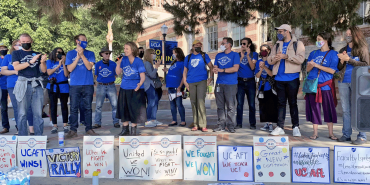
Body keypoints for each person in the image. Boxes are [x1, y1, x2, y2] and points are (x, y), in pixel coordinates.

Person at [268, 24, 305, 136]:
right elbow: (269, 60)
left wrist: (286, 57)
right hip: (279, 78)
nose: (279, 34)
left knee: (293, 103)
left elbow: (301, 59)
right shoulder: (277, 45)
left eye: (280, 31)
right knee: (280, 103)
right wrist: (275, 58)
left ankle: (296, 127)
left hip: (292, 78)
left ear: (287, 31)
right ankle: (280, 127)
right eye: (278, 32)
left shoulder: (298, 44)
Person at [337, 26, 369, 145]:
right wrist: (341, 61)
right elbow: (339, 68)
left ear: (356, 35)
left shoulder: (362, 48)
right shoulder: (343, 49)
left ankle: (362, 136)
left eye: (350, 33)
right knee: (346, 109)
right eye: (346, 34)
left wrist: (349, 59)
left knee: (359, 108)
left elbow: (366, 64)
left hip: (358, 82)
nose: (347, 35)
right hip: (343, 81)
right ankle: (346, 134)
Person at [12, 33, 47, 136]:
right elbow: (16, 68)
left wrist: (42, 62)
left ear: (31, 41)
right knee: (22, 113)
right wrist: (31, 62)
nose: (25, 44)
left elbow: (44, 71)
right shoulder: (16, 53)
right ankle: (22, 137)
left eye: (27, 42)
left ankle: (39, 137)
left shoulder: (37, 53)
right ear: (20, 42)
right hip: (23, 83)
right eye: (23, 42)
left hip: (36, 84)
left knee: (38, 113)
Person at [305, 32, 338, 140]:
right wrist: (310, 65)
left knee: (328, 109)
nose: (317, 41)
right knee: (314, 109)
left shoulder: (333, 54)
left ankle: (331, 133)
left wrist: (317, 65)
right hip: (313, 85)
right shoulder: (313, 53)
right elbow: (307, 70)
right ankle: (315, 133)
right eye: (317, 39)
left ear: (326, 40)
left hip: (325, 86)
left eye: (319, 39)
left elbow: (332, 71)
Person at [65, 34, 99, 138]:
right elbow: (69, 69)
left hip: (88, 84)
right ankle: (73, 130)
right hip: (75, 85)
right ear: (77, 41)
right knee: (74, 107)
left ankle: (88, 128)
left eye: (86, 39)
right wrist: (78, 56)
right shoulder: (70, 54)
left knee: (88, 107)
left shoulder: (90, 53)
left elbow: (89, 67)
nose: (85, 41)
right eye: (83, 40)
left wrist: (82, 55)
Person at [1, 40, 34, 135]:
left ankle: (32, 130)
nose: (19, 46)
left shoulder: (27, 55)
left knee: (29, 107)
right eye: (17, 45)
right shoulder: (8, 57)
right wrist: (15, 72)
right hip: (12, 85)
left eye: (21, 44)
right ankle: (20, 129)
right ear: (13, 47)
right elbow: (3, 71)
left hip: (26, 83)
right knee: (17, 108)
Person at [116, 42, 146, 136]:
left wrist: (140, 84)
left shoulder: (138, 61)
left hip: (136, 89)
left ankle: (133, 129)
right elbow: (118, 73)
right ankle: (125, 129)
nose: (124, 50)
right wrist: (118, 62)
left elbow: (143, 76)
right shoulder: (123, 60)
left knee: (134, 110)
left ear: (132, 49)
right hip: (124, 88)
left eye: (127, 49)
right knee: (124, 109)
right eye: (124, 48)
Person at [183, 40, 214, 132]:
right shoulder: (188, 57)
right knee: (193, 103)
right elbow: (185, 71)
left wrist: (211, 78)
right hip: (191, 82)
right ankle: (196, 124)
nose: (198, 47)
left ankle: (203, 124)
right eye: (196, 45)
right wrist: (185, 82)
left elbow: (211, 66)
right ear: (193, 47)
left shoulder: (204, 55)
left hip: (201, 81)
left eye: (200, 45)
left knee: (201, 102)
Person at [212, 37, 240, 133]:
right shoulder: (218, 55)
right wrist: (215, 69)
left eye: (223, 43)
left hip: (231, 84)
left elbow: (235, 68)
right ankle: (221, 125)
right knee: (220, 106)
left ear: (229, 45)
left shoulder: (235, 55)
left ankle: (231, 126)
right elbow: (216, 66)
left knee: (230, 106)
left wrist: (222, 70)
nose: (221, 45)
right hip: (220, 83)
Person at [93, 47, 120, 129]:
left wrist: (110, 81)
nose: (108, 55)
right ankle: (97, 123)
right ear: (102, 54)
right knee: (98, 106)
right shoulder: (98, 64)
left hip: (111, 85)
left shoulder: (113, 64)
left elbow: (116, 75)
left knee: (115, 105)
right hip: (101, 86)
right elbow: (96, 75)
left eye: (109, 53)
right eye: (106, 53)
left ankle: (116, 122)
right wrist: (98, 83)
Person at [46, 47, 70, 134]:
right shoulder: (49, 62)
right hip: (52, 86)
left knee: (64, 106)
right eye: (57, 52)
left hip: (63, 86)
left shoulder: (66, 62)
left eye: (60, 52)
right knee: (53, 106)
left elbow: (66, 74)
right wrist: (58, 65)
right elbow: (48, 72)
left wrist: (63, 63)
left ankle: (65, 124)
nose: (58, 54)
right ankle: (54, 125)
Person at [236, 37, 258, 129]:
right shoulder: (237, 55)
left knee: (252, 104)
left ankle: (252, 124)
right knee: (239, 104)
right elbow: (236, 67)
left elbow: (253, 67)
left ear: (249, 45)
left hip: (250, 82)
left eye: (244, 44)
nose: (242, 45)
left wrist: (248, 56)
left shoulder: (254, 54)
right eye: (241, 44)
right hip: (240, 81)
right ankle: (239, 123)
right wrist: (241, 56)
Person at [256, 44, 278, 132]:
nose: (263, 52)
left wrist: (264, 66)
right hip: (262, 86)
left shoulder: (271, 61)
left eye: (265, 50)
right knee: (263, 105)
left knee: (271, 105)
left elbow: (272, 74)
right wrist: (261, 68)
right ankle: (266, 123)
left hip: (270, 86)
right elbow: (257, 75)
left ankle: (271, 124)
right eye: (261, 50)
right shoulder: (258, 62)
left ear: (269, 50)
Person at [163, 47, 186, 127]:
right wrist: (167, 70)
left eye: (174, 53)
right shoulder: (174, 63)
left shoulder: (182, 63)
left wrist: (180, 86)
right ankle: (174, 120)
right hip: (171, 87)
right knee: (172, 104)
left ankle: (183, 120)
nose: (172, 54)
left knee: (179, 104)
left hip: (177, 87)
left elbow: (184, 75)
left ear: (178, 53)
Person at [143, 48, 163, 127]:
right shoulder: (147, 63)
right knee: (151, 103)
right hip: (148, 85)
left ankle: (153, 119)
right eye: (153, 53)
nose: (154, 55)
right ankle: (148, 120)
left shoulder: (148, 63)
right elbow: (151, 75)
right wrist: (156, 67)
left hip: (151, 85)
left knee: (154, 102)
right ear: (149, 54)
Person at [0, 43, 9, 134]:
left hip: (12, 84)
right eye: (1, 48)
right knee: (3, 107)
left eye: (4, 48)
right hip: (2, 86)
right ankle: (5, 127)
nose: (3, 49)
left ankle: (19, 127)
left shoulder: (10, 58)